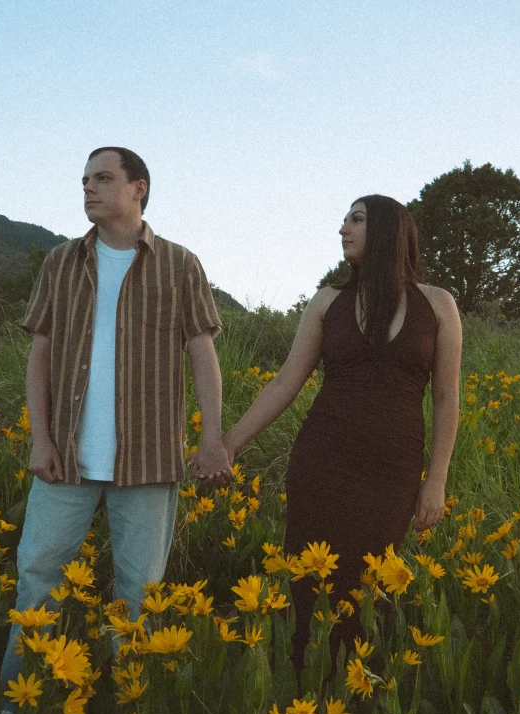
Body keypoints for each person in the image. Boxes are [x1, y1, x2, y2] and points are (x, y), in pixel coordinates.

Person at [0, 147, 230, 714]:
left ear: (139, 188)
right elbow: (41, 354)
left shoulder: (180, 265)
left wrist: (212, 438)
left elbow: (203, 354)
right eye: (84, 180)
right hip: (65, 459)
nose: (89, 189)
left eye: (103, 178)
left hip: (149, 460)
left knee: (138, 596)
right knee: (37, 580)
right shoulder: (60, 263)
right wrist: (40, 438)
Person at [196, 195, 462, 674]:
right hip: (322, 464)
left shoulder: (439, 305)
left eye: (356, 220)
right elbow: (284, 383)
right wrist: (226, 445)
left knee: (371, 588)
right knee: (309, 584)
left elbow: (446, 398)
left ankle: (355, 699)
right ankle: (300, 694)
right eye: (344, 220)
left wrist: (436, 480)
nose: (343, 229)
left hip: (393, 473)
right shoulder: (327, 302)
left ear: (387, 230)